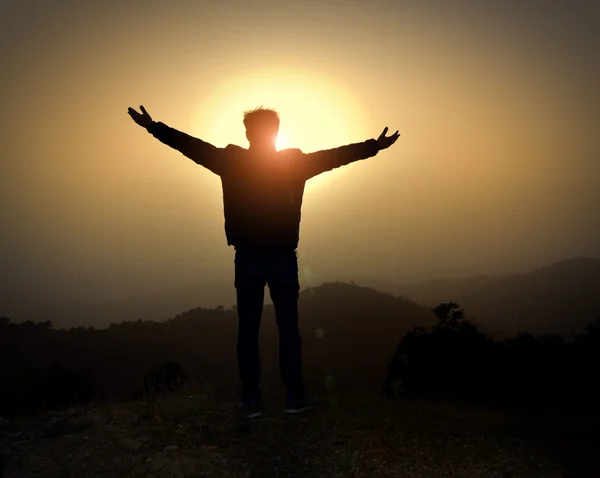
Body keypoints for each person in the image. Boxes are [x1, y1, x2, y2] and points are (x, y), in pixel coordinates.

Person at [127, 104, 400, 418]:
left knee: (249, 330)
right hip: (282, 258)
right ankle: (294, 396)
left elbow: (190, 146)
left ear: (248, 133)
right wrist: (373, 147)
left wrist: (154, 127)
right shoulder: (293, 163)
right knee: (289, 330)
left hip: (248, 258)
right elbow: (334, 156)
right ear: (276, 133)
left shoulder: (231, 160)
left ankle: (252, 400)